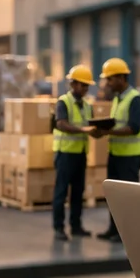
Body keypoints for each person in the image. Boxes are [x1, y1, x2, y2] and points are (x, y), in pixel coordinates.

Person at [90, 57, 140, 242]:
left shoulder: (135, 99)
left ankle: (127, 235)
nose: (107, 83)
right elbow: (117, 125)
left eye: (110, 79)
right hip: (115, 155)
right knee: (113, 196)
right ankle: (113, 230)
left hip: (130, 158)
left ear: (121, 78)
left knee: (128, 199)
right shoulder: (117, 99)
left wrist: (107, 132)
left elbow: (133, 128)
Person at [51, 64, 94, 242]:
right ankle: (59, 227)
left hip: (80, 154)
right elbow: (61, 124)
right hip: (65, 153)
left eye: (87, 86)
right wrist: (83, 130)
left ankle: (76, 226)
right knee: (61, 191)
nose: (85, 89)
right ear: (73, 84)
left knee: (78, 191)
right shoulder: (63, 102)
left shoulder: (87, 106)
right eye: (82, 85)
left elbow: (90, 125)